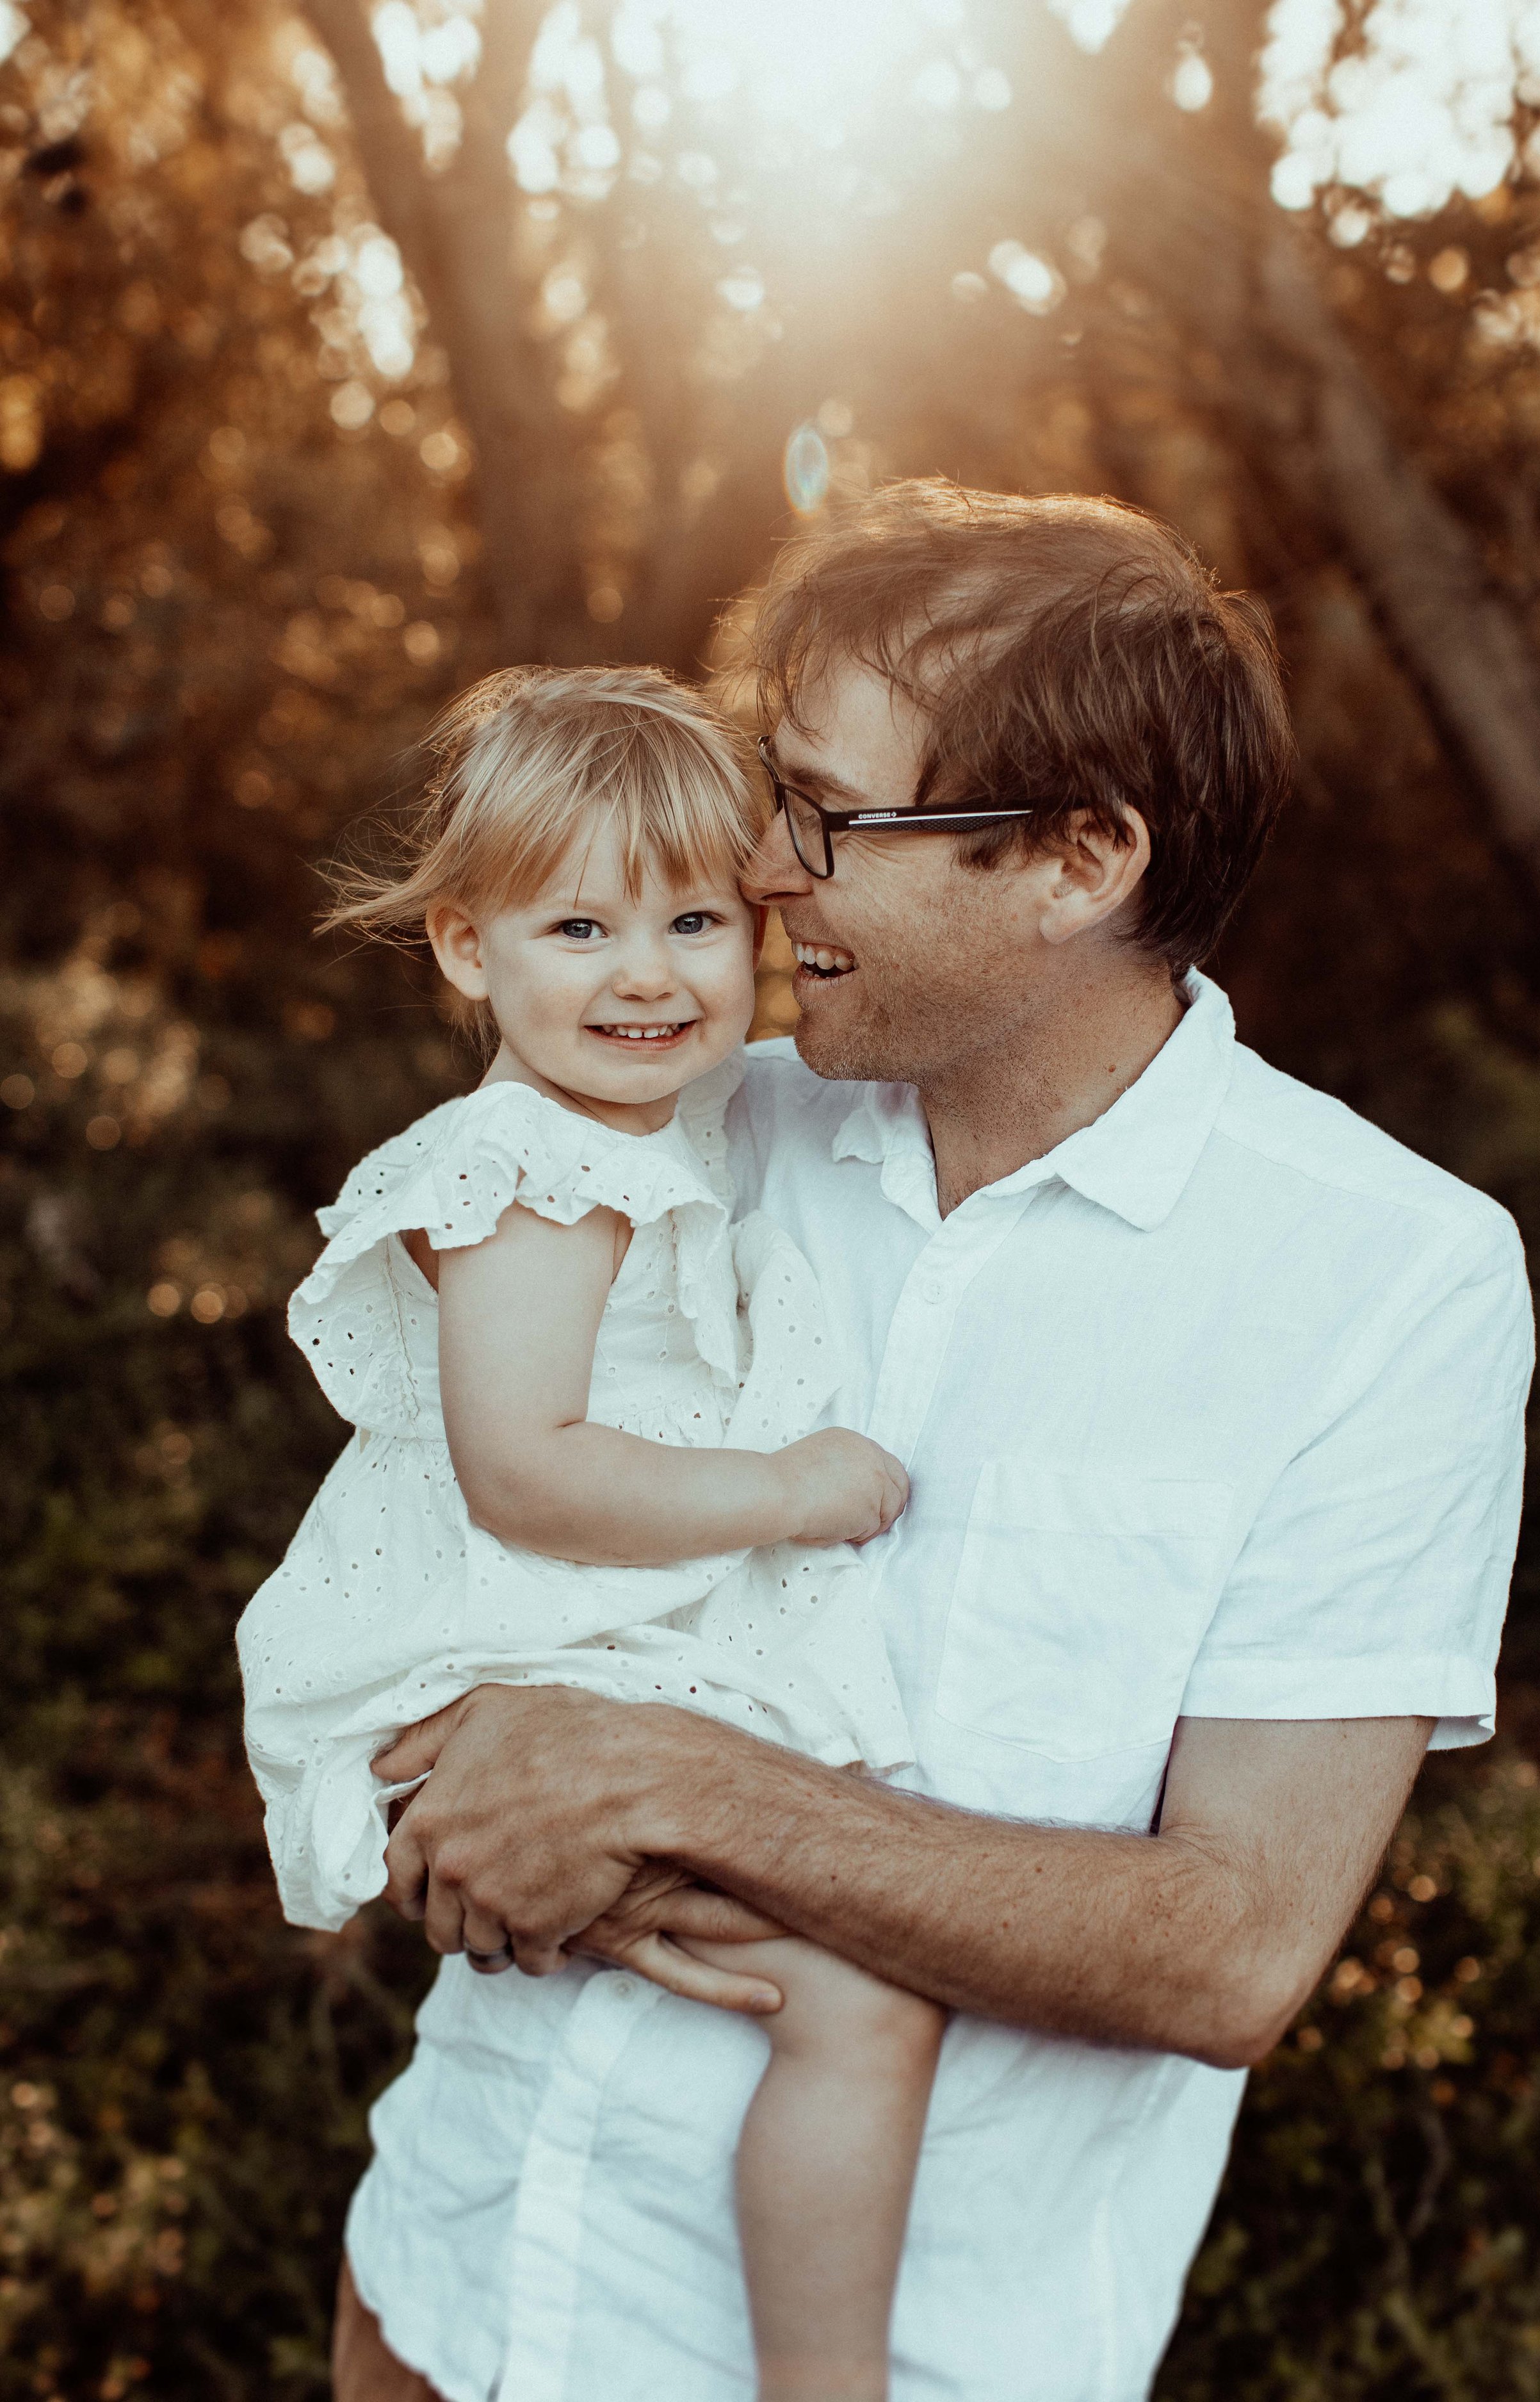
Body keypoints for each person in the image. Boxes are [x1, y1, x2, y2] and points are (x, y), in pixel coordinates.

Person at [338, 484, 1534, 2402]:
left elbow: (1228, 1951)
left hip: (897, 2358)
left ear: (1076, 858)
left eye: (821, 812)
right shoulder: (673, 1118)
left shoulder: (1385, 1279)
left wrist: (672, 1785)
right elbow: (410, 1561)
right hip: (463, 2271)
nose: (759, 867)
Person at [237, 664, 952, 2402]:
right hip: (510, 1622)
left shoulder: (651, 1125)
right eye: (579, 927)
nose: (649, 974)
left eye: (696, 920)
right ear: (467, 951)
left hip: (577, 1625)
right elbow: (524, 1470)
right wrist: (789, 1489)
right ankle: (825, 2381)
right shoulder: (538, 1179)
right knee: (862, 2001)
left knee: (829, 1978)